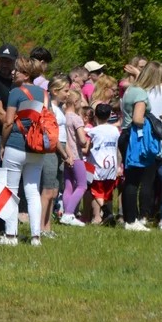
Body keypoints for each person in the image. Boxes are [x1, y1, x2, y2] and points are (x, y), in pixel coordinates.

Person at [0, 57, 51, 247]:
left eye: (17, 71)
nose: (13, 73)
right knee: (33, 191)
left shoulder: (16, 92)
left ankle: (11, 236)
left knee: (11, 190)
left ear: (26, 74)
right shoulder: (45, 94)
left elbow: (8, 122)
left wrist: (2, 144)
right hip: (38, 147)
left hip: (16, 144)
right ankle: (36, 237)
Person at [121, 60, 161, 232]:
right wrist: (151, 121)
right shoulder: (141, 94)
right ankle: (131, 221)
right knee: (133, 180)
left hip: (125, 135)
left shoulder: (131, 89)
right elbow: (138, 118)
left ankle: (129, 218)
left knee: (130, 179)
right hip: (133, 139)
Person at [41, 75, 73, 236]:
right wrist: (64, 153)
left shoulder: (59, 108)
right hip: (52, 151)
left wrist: (67, 153)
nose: (68, 94)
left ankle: (48, 227)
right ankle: (40, 227)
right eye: (65, 91)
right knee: (47, 191)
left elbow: (62, 134)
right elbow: (52, 135)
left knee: (54, 191)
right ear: (55, 91)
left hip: (59, 151)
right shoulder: (50, 109)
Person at [85, 104, 121, 225]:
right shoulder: (115, 130)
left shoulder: (93, 131)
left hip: (97, 164)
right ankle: (109, 214)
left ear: (95, 115)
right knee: (108, 192)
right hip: (111, 163)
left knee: (95, 191)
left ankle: (98, 216)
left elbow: (87, 149)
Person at [61, 89, 90, 225]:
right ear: (76, 102)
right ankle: (69, 213)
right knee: (82, 185)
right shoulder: (76, 118)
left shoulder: (63, 117)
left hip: (65, 155)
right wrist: (88, 141)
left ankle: (66, 212)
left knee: (68, 186)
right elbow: (82, 140)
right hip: (77, 155)